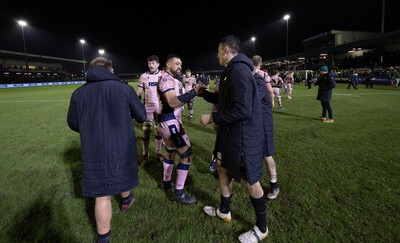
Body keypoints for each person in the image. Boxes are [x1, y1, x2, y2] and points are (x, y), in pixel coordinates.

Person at [67, 57, 146, 243]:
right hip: (122, 145)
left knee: (102, 194)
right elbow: (142, 116)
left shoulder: (78, 93)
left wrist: (89, 129)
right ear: (111, 70)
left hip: (93, 148)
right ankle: (125, 202)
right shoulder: (124, 89)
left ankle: (104, 238)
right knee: (121, 174)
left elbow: (73, 123)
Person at [199, 35, 268, 242]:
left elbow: (243, 110)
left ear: (227, 49)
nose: (217, 55)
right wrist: (204, 93)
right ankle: (224, 210)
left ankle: (262, 228)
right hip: (232, 136)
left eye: (219, 51)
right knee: (222, 169)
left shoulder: (238, 71)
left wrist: (213, 117)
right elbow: (226, 101)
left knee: (251, 181)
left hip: (245, 138)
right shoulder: (231, 71)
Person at [157, 54, 199, 205]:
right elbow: (172, 101)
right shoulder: (166, 79)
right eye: (176, 64)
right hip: (170, 122)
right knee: (186, 155)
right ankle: (179, 193)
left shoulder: (172, 78)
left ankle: (167, 183)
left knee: (170, 152)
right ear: (168, 65)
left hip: (168, 121)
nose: (180, 66)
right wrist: (194, 92)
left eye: (181, 64)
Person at [252, 55, 280, 200]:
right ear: (261, 64)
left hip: (255, 116)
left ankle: (274, 185)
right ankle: (273, 184)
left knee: (263, 152)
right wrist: (271, 103)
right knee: (266, 152)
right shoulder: (264, 75)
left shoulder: (250, 74)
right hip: (263, 115)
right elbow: (269, 91)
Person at [136, 55, 164, 165]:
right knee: (146, 131)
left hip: (160, 109)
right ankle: (145, 154)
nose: (151, 65)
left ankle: (158, 153)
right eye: (149, 63)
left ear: (158, 64)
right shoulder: (143, 76)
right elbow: (138, 93)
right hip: (147, 109)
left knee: (158, 131)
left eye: (153, 63)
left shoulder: (162, 75)